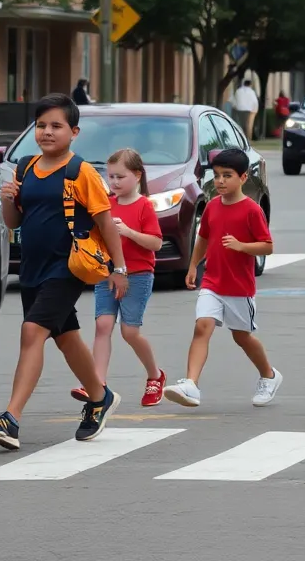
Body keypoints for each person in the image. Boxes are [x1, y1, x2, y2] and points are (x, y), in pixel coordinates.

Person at [0, 93, 128, 449]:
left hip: (68, 267)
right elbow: (15, 222)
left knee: (32, 332)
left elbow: (105, 223)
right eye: (41, 125)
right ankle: (99, 397)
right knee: (65, 336)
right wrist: (9, 198)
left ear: (74, 132)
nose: (47, 132)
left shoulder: (81, 172)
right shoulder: (26, 168)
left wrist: (119, 268)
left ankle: (10, 419)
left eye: (56, 126)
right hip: (32, 267)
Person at [163, 148, 282, 407]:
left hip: (239, 288)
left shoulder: (251, 210)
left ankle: (269, 376)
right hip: (212, 282)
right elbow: (203, 237)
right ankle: (191, 385)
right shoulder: (212, 206)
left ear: (243, 178)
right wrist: (193, 266)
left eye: (227, 176)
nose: (220, 181)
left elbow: (267, 246)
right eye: (216, 176)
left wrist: (242, 246)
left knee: (242, 337)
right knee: (202, 326)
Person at [70, 148, 166, 406]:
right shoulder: (106, 205)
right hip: (107, 273)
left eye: (120, 177)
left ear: (137, 176)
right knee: (103, 326)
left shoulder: (144, 205)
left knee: (130, 332)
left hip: (138, 275)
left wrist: (130, 233)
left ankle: (155, 376)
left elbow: (156, 244)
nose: (114, 183)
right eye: (110, 177)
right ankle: (97, 382)